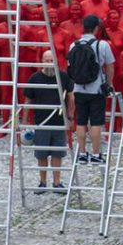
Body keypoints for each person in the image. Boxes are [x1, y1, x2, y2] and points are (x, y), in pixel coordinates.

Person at [68, 15, 115, 165]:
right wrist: (109, 83)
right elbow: (109, 65)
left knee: (81, 121)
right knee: (96, 123)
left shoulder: (73, 45)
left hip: (78, 88)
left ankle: (82, 153)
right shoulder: (102, 45)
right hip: (96, 89)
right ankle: (96, 154)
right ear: (96, 28)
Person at [24, 50, 73, 194]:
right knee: (41, 154)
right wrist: (25, 121)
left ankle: (57, 182)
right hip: (41, 123)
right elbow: (28, 100)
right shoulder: (34, 78)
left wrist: (70, 117)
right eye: (46, 60)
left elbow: (71, 97)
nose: (49, 63)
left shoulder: (63, 76)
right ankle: (43, 182)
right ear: (42, 61)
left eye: (52, 60)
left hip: (59, 123)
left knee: (58, 154)